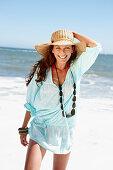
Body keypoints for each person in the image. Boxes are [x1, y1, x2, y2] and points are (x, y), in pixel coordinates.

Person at [18, 29, 102, 170]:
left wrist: (73, 34)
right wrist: (24, 128)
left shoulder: (76, 68)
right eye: (58, 47)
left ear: (72, 49)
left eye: (66, 47)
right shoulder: (42, 71)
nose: (62, 52)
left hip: (65, 129)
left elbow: (95, 46)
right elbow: (31, 104)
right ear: (51, 50)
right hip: (41, 127)